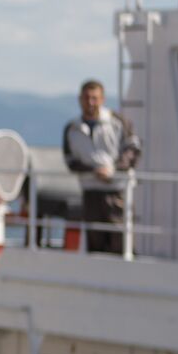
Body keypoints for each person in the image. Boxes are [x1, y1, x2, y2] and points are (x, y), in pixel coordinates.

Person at [63, 80, 142, 254]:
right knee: (95, 242)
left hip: (117, 192)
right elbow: (70, 161)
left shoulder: (118, 122)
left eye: (94, 98)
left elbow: (133, 150)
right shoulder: (72, 128)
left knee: (120, 239)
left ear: (102, 99)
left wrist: (113, 170)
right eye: (86, 98)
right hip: (90, 192)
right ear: (80, 99)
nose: (90, 102)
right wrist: (93, 171)